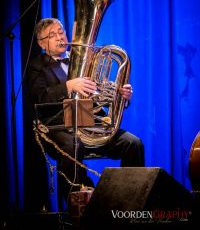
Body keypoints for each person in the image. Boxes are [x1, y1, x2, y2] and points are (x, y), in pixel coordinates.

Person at [27, 17, 145, 209]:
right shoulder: (37, 66)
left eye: (61, 32)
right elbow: (38, 97)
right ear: (41, 43)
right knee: (74, 144)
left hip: (90, 124)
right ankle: (77, 207)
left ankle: (131, 203)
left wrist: (119, 94)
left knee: (133, 143)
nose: (60, 37)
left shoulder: (84, 59)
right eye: (52, 35)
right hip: (58, 129)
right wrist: (68, 86)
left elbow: (99, 96)